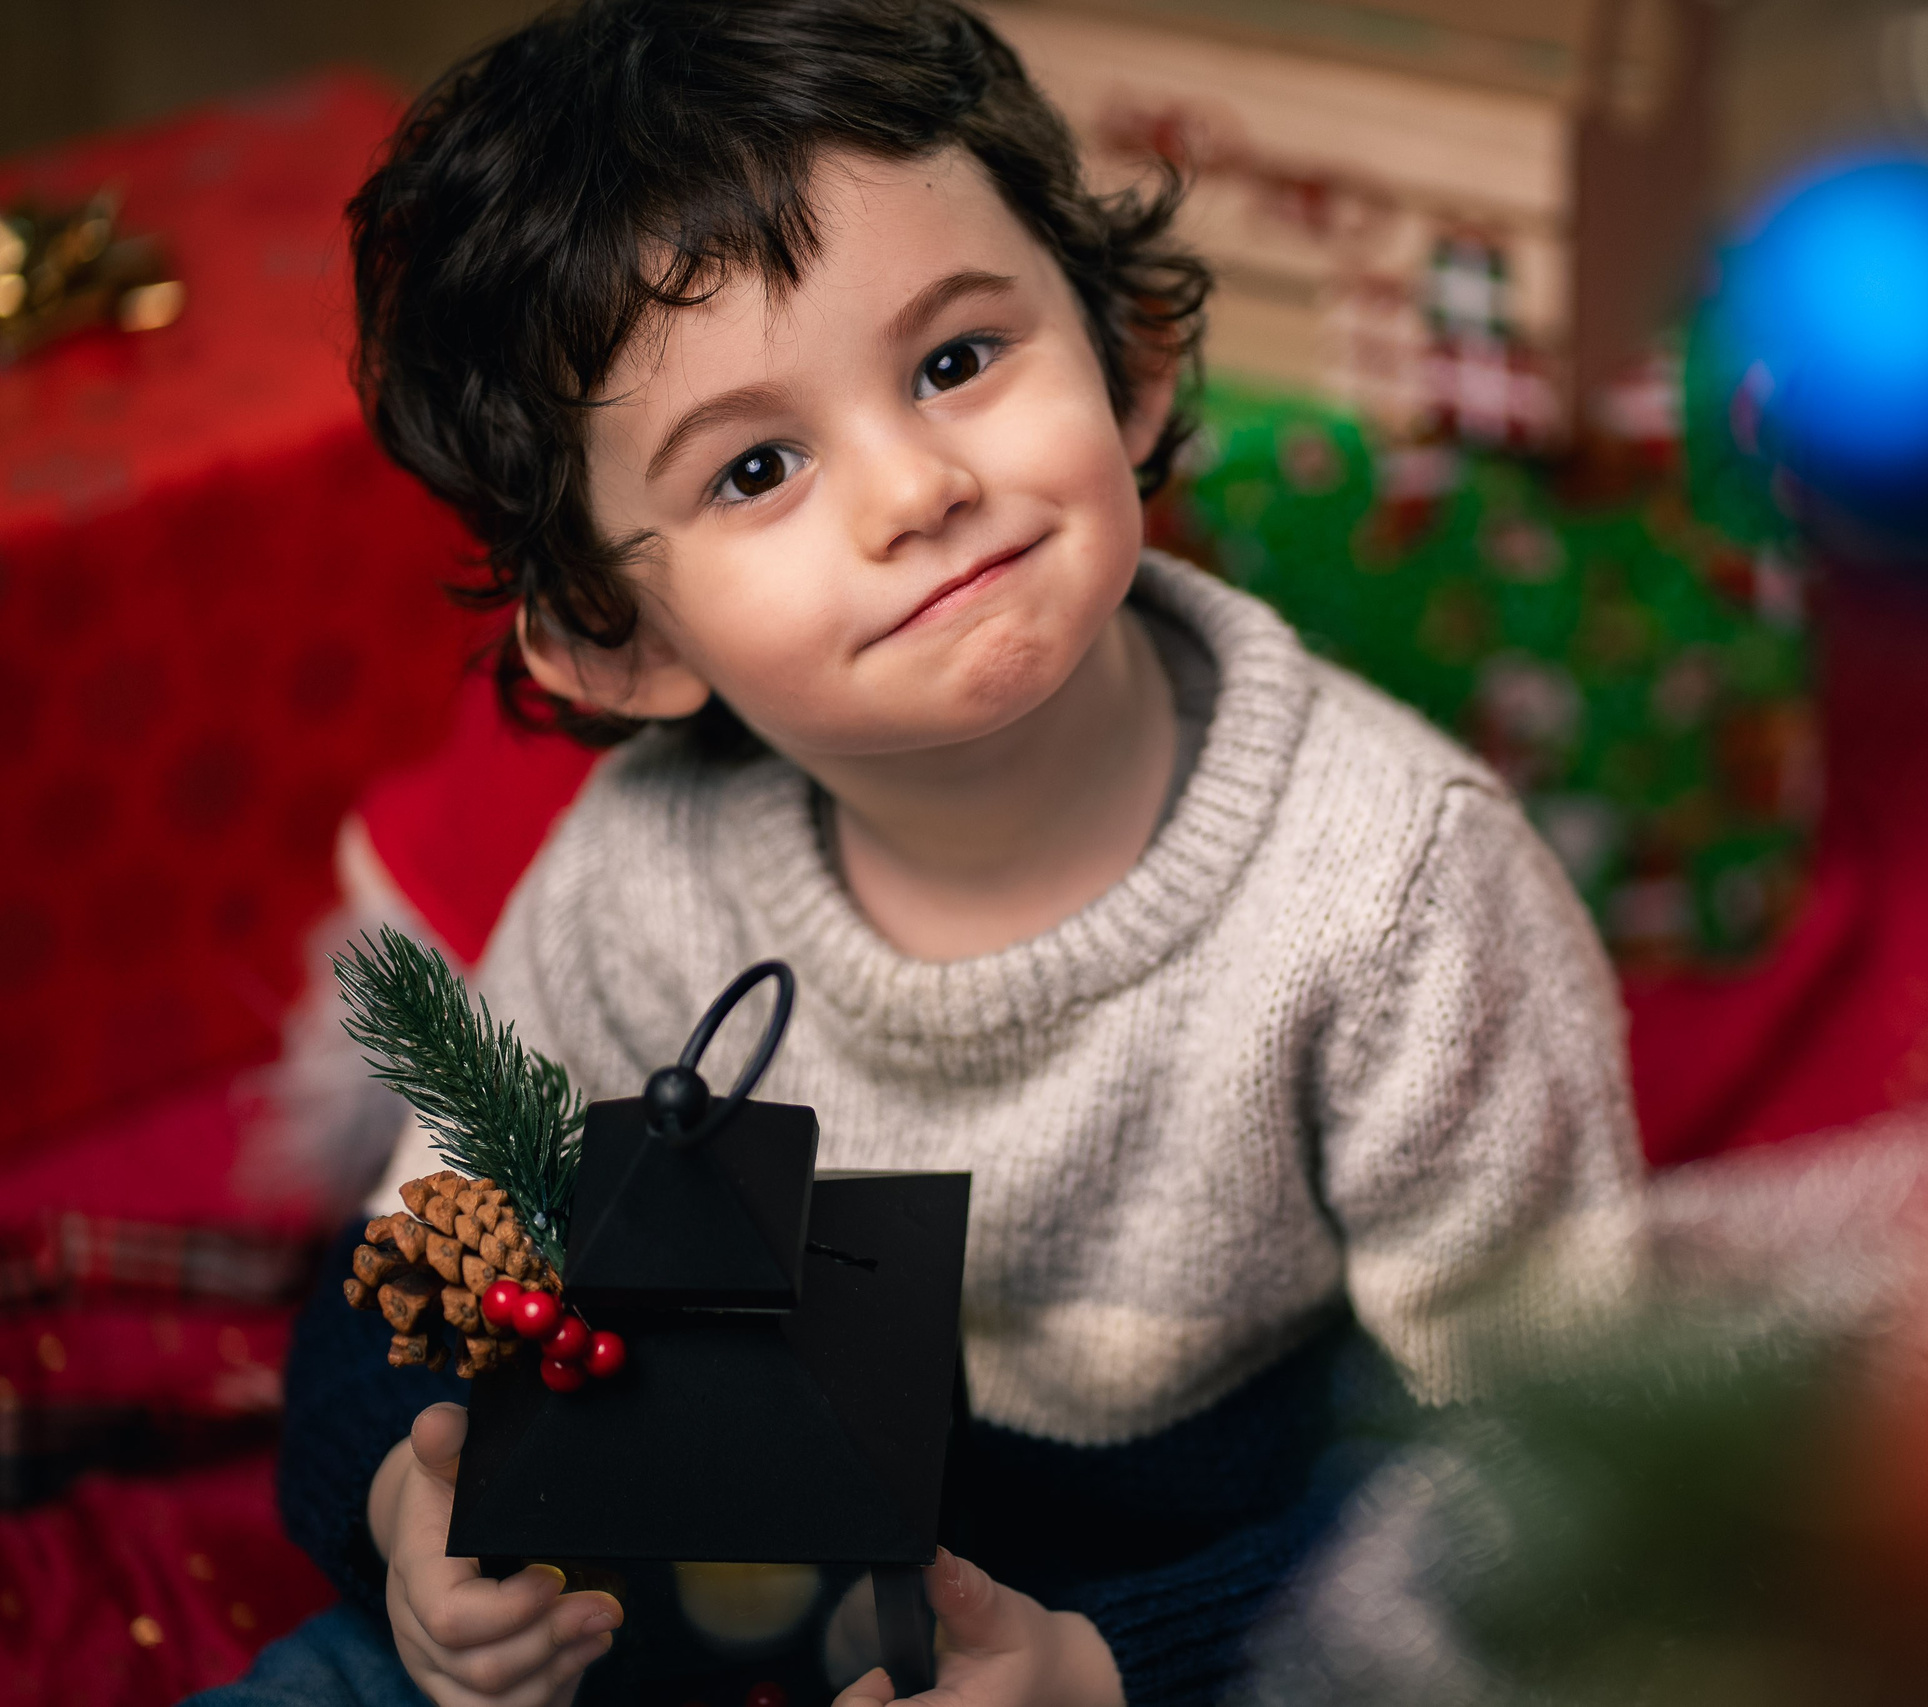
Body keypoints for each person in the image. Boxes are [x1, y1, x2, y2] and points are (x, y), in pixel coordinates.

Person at [201, 2, 1645, 1703]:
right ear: (615, 643)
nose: (911, 489)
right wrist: (415, 1520)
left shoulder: (1398, 895)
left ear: (1134, 359)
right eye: (756, 466)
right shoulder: (639, 875)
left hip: (1202, 1599)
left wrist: (1119, 1666)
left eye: (957, 360)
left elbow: (1569, 1468)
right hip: (702, 1585)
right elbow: (418, 1276)